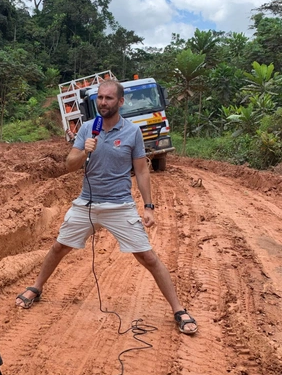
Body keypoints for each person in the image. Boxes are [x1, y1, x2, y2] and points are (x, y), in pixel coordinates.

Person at [15, 80, 197, 335]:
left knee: (148, 257)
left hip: (120, 206)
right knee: (58, 247)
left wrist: (148, 206)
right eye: (100, 98)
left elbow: (142, 170)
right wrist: (84, 151)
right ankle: (36, 287)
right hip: (86, 203)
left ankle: (178, 309)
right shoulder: (88, 129)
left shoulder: (132, 132)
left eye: (109, 98)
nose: (103, 102)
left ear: (120, 102)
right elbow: (69, 165)